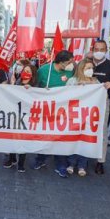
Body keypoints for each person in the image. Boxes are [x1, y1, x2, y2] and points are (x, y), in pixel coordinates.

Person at [33, 50, 75, 178]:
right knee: (46, 136)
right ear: (61, 62)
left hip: (63, 111)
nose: (71, 64)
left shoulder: (70, 71)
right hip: (46, 110)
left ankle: (60, 165)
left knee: (61, 138)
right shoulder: (44, 70)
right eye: (69, 62)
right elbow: (35, 86)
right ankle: (40, 159)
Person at [65, 59, 101, 177]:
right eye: (87, 68)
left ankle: (82, 165)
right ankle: (71, 163)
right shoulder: (72, 80)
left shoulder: (96, 81)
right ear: (81, 69)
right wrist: (76, 87)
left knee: (85, 140)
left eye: (92, 68)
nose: (90, 70)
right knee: (73, 139)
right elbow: (64, 95)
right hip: (74, 115)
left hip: (89, 117)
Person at [90, 40, 110, 175]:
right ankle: (81, 158)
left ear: (106, 50)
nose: (99, 51)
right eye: (97, 49)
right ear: (93, 49)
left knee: (102, 131)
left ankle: (100, 161)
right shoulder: (86, 63)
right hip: (85, 103)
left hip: (103, 102)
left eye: (102, 49)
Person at [6, 60, 37, 171]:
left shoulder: (35, 85)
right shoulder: (18, 81)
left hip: (28, 117)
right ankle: (12, 159)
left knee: (24, 140)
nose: (25, 72)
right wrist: (13, 84)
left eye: (28, 71)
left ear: (33, 74)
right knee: (13, 138)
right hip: (15, 115)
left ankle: (21, 164)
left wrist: (33, 90)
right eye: (24, 70)